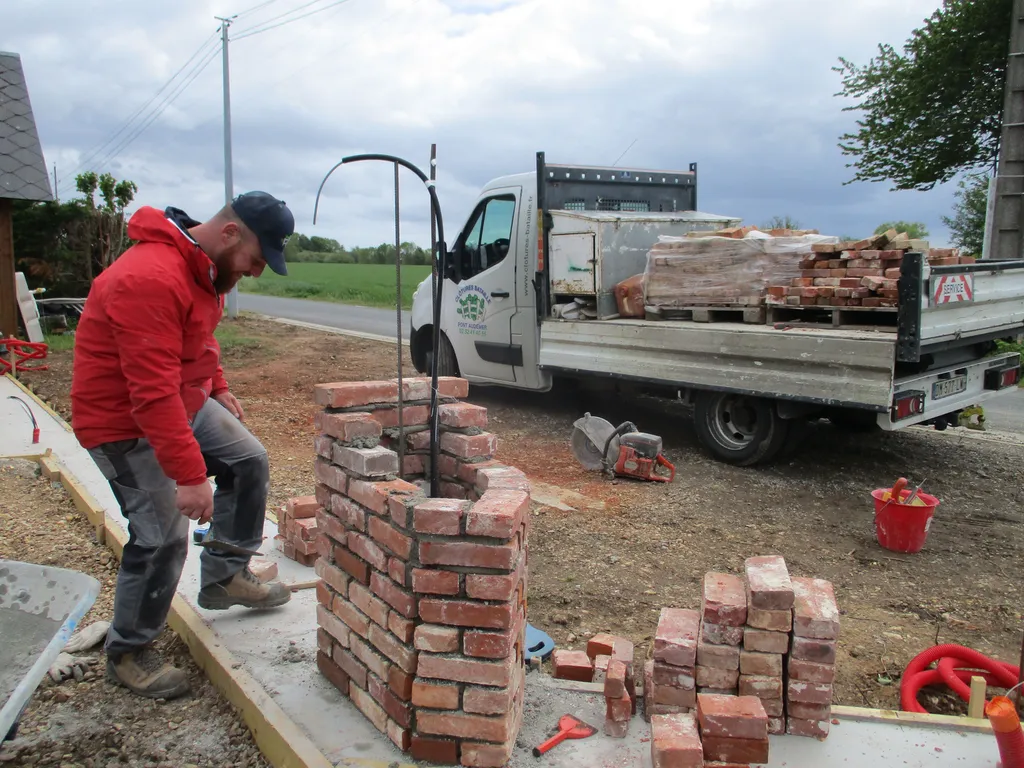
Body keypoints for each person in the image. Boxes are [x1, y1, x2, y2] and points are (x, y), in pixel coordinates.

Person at [70, 191, 296, 700]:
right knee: (162, 532)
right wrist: (191, 477)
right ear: (229, 233)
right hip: (122, 420)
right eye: (256, 260)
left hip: (182, 399)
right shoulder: (150, 277)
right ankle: (129, 651)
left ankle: (224, 575)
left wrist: (216, 384)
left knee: (247, 460)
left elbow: (198, 340)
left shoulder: (207, 271)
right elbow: (149, 395)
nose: (257, 272)